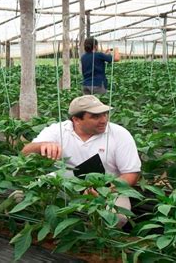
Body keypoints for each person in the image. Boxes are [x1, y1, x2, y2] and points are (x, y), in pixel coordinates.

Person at [21, 95, 141, 226]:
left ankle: (97, 241)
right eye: (95, 116)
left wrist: (105, 190)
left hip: (109, 186)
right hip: (65, 183)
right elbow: (25, 152)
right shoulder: (59, 130)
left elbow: (131, 174)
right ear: (76, 120)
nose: (103, 120)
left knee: (116, 217)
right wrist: (41, 146)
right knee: (20, 197)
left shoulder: (119, 134)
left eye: (105, 114)